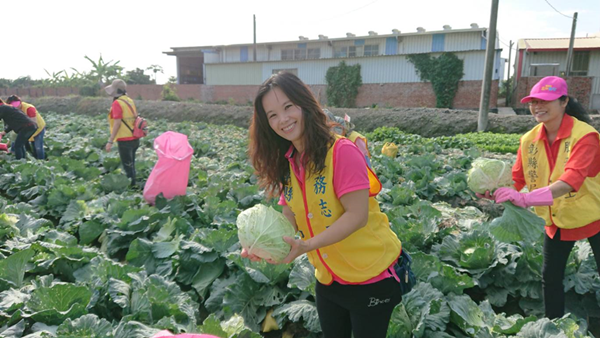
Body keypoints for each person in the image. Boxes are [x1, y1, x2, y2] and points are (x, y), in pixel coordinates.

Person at [243, 72, 403, 338]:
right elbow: (289, 216)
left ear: (304, 104)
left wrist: (307, 245)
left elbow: (357, 216)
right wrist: (266, 246)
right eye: (271, 115)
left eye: (287, 107)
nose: (282, 119)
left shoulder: (342, 152)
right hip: (328, 278)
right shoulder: (288, 161)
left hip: (370, 277)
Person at [485, 76, 600, 319]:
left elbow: (571, 180)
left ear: (564, 102)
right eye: (533, 101)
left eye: (546, 100)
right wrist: (493, 188)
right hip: (556, 219)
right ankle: (553, 326)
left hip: (594, 215)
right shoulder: (528, 140)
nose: (538, 106)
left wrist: (526, 199)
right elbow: (516, 179)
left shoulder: (585, 136)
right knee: (550, 277)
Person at [104, 79, 140, 187]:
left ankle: (132, 188)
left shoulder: (117, 103)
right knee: (131, 165)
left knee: (128, 166)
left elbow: (117, 123)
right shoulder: (129, 100)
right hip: (135, 138)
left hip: (124, 140)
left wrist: (110, 141)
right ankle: (134, 186)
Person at [6, 95, 46, 159]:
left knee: (38, 147)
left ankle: (42, 162)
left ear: (20, 102)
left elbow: (34, 123)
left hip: (38, 128)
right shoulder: (13, 110)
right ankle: (33, 160)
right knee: (28, 147)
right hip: (26, 129)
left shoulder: (29, 108)